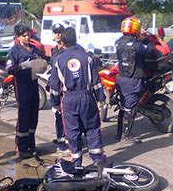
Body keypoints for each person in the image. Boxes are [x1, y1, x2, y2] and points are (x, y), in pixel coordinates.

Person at [48, 27, 106, 167]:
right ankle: (98, 160)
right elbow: (96, 82)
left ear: (62, 41)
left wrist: (55, 104)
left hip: (69, 99)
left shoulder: (58, 60)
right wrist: (101, 99)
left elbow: (54, 86)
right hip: (87, 97)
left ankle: (76, 162)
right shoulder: (88, 58)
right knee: (92, 128)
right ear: (75, 40)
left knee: (72, 131)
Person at [6, 25, 47, 158]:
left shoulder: (34, 49)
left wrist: (42, 65)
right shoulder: (15, 51)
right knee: (24, 116)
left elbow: (42, 62)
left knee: (33, 116)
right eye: (23, 35)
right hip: (22, 85)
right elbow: (9, 68)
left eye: (28, 34)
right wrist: (21, 66)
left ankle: (31, 144)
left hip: (34, 84)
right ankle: (22, 147)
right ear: (18, 37)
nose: (27, 37)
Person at [114, 16, 154, 144]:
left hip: (122, 79)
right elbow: (150, 51)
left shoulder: (118, 42)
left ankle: (119, 133)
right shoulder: (138, 45)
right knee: (131, 108)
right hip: (134, 80)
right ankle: (126, 137)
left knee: (123, 107)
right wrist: (145, 38)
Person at [48, 23, 69, 153]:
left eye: (59, 32)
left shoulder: (68, 50)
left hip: (67, 88)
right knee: (58, 114)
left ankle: (69, 139)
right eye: (55, 32)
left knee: (67, 115)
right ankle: (61, 140)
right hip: (56, 87)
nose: (57, 35)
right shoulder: (53, 51)